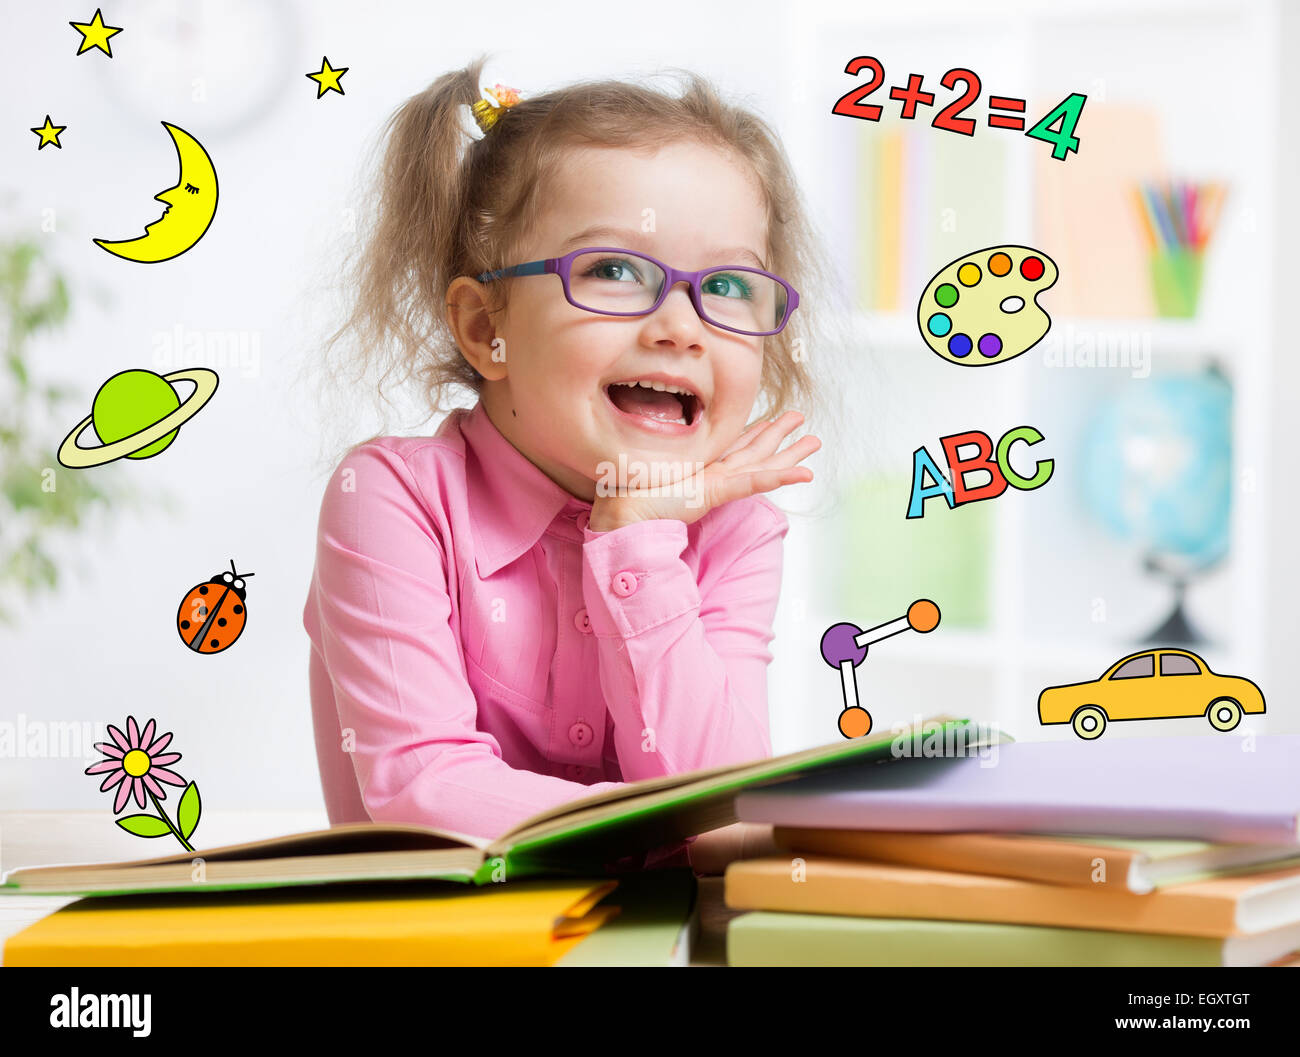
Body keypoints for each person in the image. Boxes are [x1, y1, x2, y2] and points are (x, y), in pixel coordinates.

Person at [303, 56, 829, 867]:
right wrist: (676, 832)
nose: (682, 327)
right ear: (487, 329)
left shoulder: (737, 532)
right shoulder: (389, 497)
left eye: (727, 284)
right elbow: (423, 788)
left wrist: (636, 540)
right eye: (615, 271)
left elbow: (720, 793)